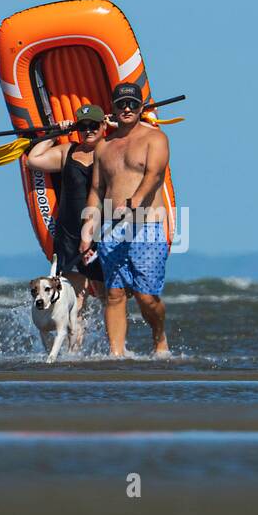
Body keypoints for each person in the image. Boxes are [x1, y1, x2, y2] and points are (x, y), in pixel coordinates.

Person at [79, 83, 171, 358]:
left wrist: (133, 201)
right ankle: (116, 354)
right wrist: (88, 228)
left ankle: (159, 340)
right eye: (121, 104)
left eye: (132, 104)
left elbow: (154, 175)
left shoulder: (156, 138)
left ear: (141, 107)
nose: (127, 108)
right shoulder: (104, 146)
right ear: (113, 108)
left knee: (146, 296)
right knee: (115, 293)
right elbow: (96, 189)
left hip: (147, 223)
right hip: (112, 228)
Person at [25, 103, 107, 318]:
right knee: (77, 297)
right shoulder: (67, 151)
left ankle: (114, 349)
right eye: (83, 126)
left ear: (103, 125)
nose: (88, 130)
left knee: (106, 294)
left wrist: (115, 124)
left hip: (101, 232)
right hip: (70, 234)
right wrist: (56, 133)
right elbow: (33, 160)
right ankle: (75, 350)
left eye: (93, 125)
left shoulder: (112, 150)